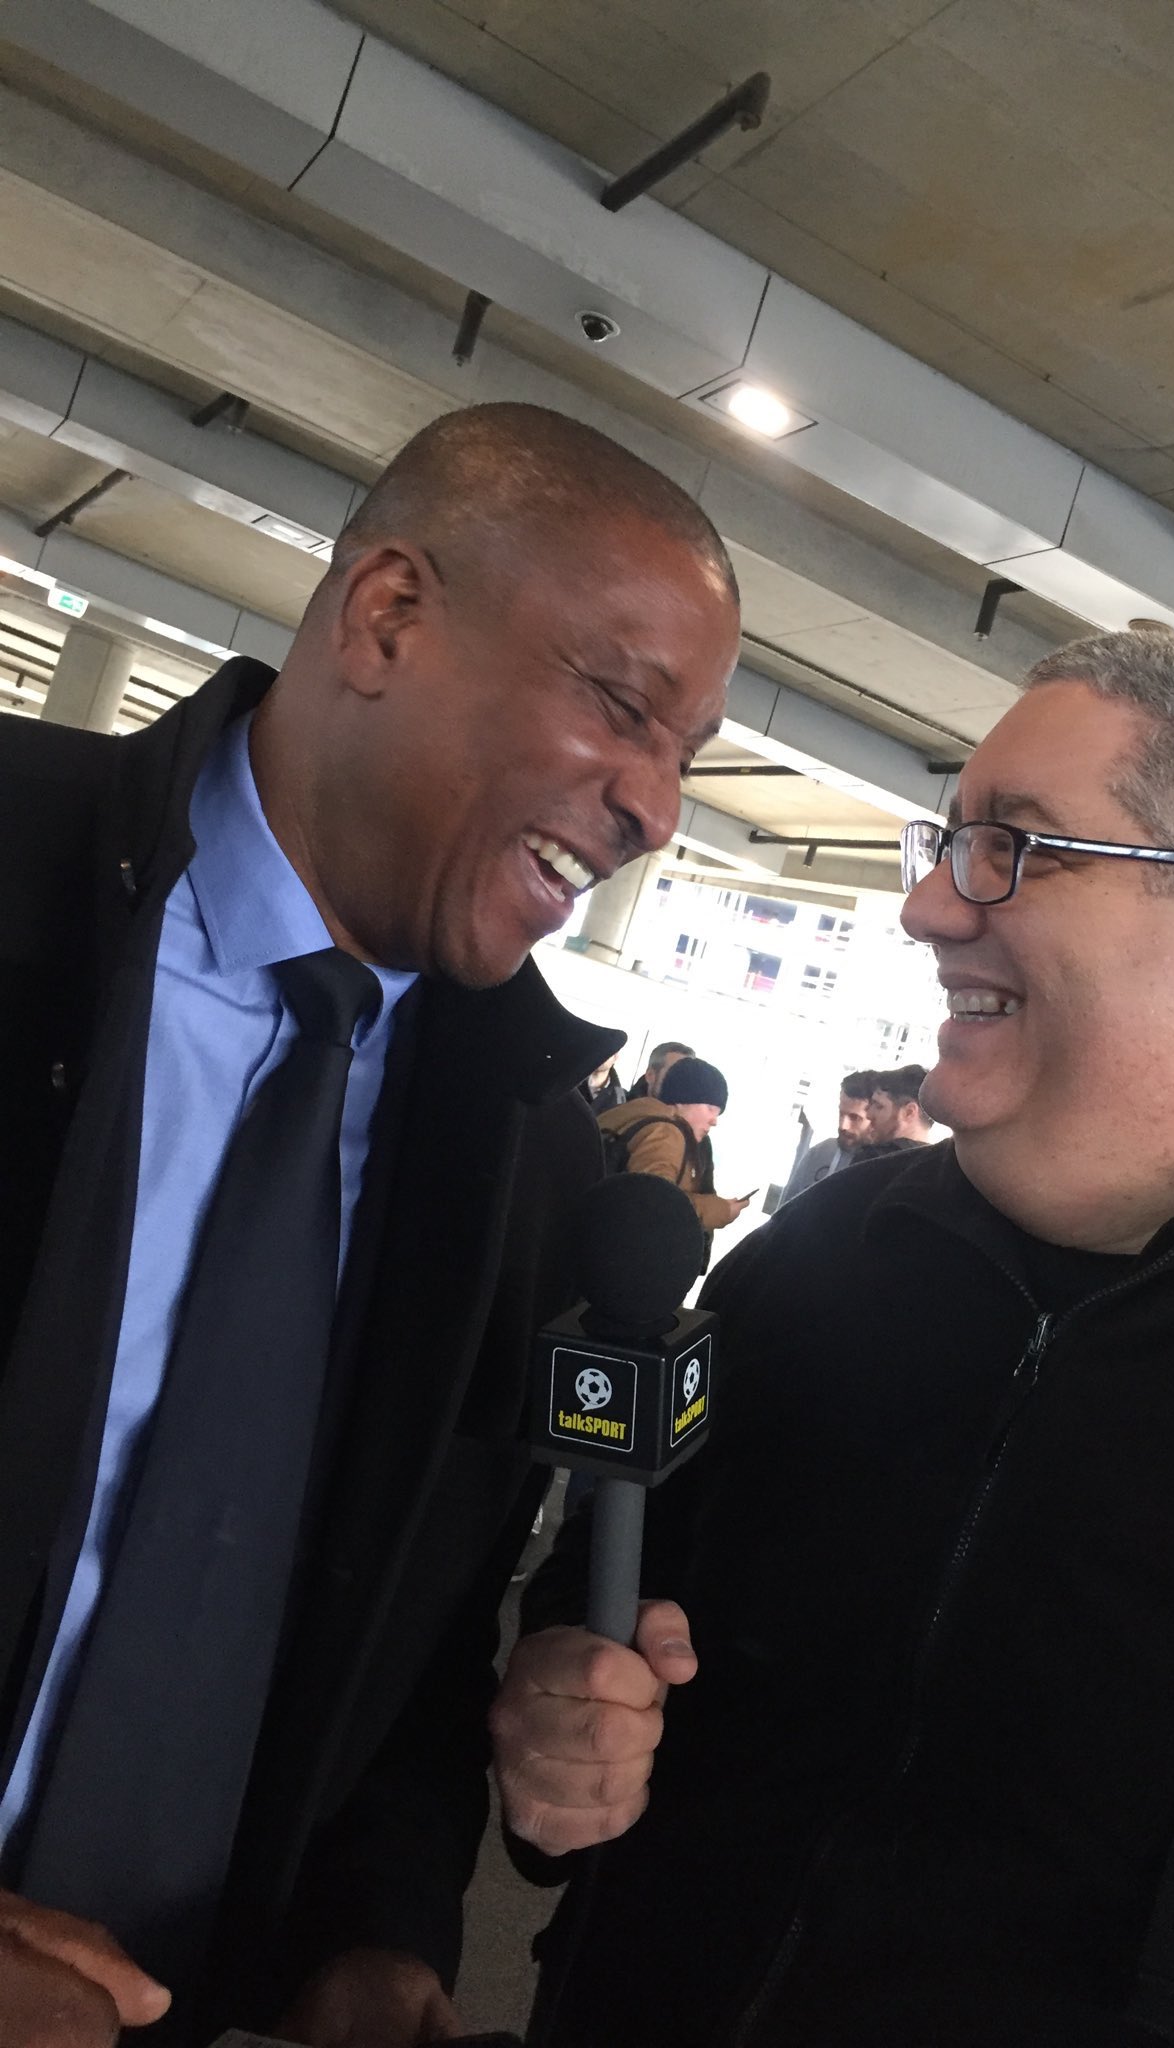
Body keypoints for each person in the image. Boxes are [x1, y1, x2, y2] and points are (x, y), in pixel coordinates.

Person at [489, 630, 1174, 2048]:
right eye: (946, 842)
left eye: (1015, 851)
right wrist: (565, 1719)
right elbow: (605, 1599)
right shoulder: (820, 1264)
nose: (925, 907)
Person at [0, 400, 740, 2048]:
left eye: (686, 758)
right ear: (389, 617)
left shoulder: (520, 1151)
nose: (657, 809)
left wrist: (379, 1944)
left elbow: (401, 1640)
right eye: (625, 707)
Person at [597, 1058, 751, 1240]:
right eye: (710, 1108)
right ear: (683, 1099)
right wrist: (720, 1210)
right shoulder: (666, 1133)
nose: (714, 1120)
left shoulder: (634, 1113)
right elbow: (655, 1205)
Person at [777, 1070, 875, 1202]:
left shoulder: (878, 1167)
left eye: (854, 1117)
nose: (843, 1125)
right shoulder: (820, 1152)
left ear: (874, 1117)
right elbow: (784, 1212)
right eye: (841, 1114)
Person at [860, 1063, 934, 1151]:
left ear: (909, 1112)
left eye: (879, 1106)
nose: (869, 1115)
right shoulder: (941, 1162)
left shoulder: (873, 1157)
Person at [625, 1039, 693, 1100]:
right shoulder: (622, 1111)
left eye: (686, 1074)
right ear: (650, 1075)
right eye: (674, 1072)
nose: (682, 1081)